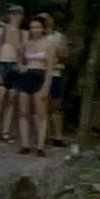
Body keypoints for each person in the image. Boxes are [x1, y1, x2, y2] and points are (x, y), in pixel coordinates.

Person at [28, 13, 70, 151]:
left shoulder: (58, 37)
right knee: (37, 105)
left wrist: (59, 51)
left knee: (55, 105)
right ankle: (42, 136)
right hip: (38, 73)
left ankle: (58, 136)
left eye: (47, 18)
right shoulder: (34, 37)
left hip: (55, 73)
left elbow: (65, 55)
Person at [0, 0, 29, 145]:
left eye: (18, 14)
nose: (15, 17)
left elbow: (23, 53)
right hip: (2, 64)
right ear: (9, 15)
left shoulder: (23, 34)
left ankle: (5, 132)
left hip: (15, 66)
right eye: (13, 14)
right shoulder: (0, 32)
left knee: (12, 98)